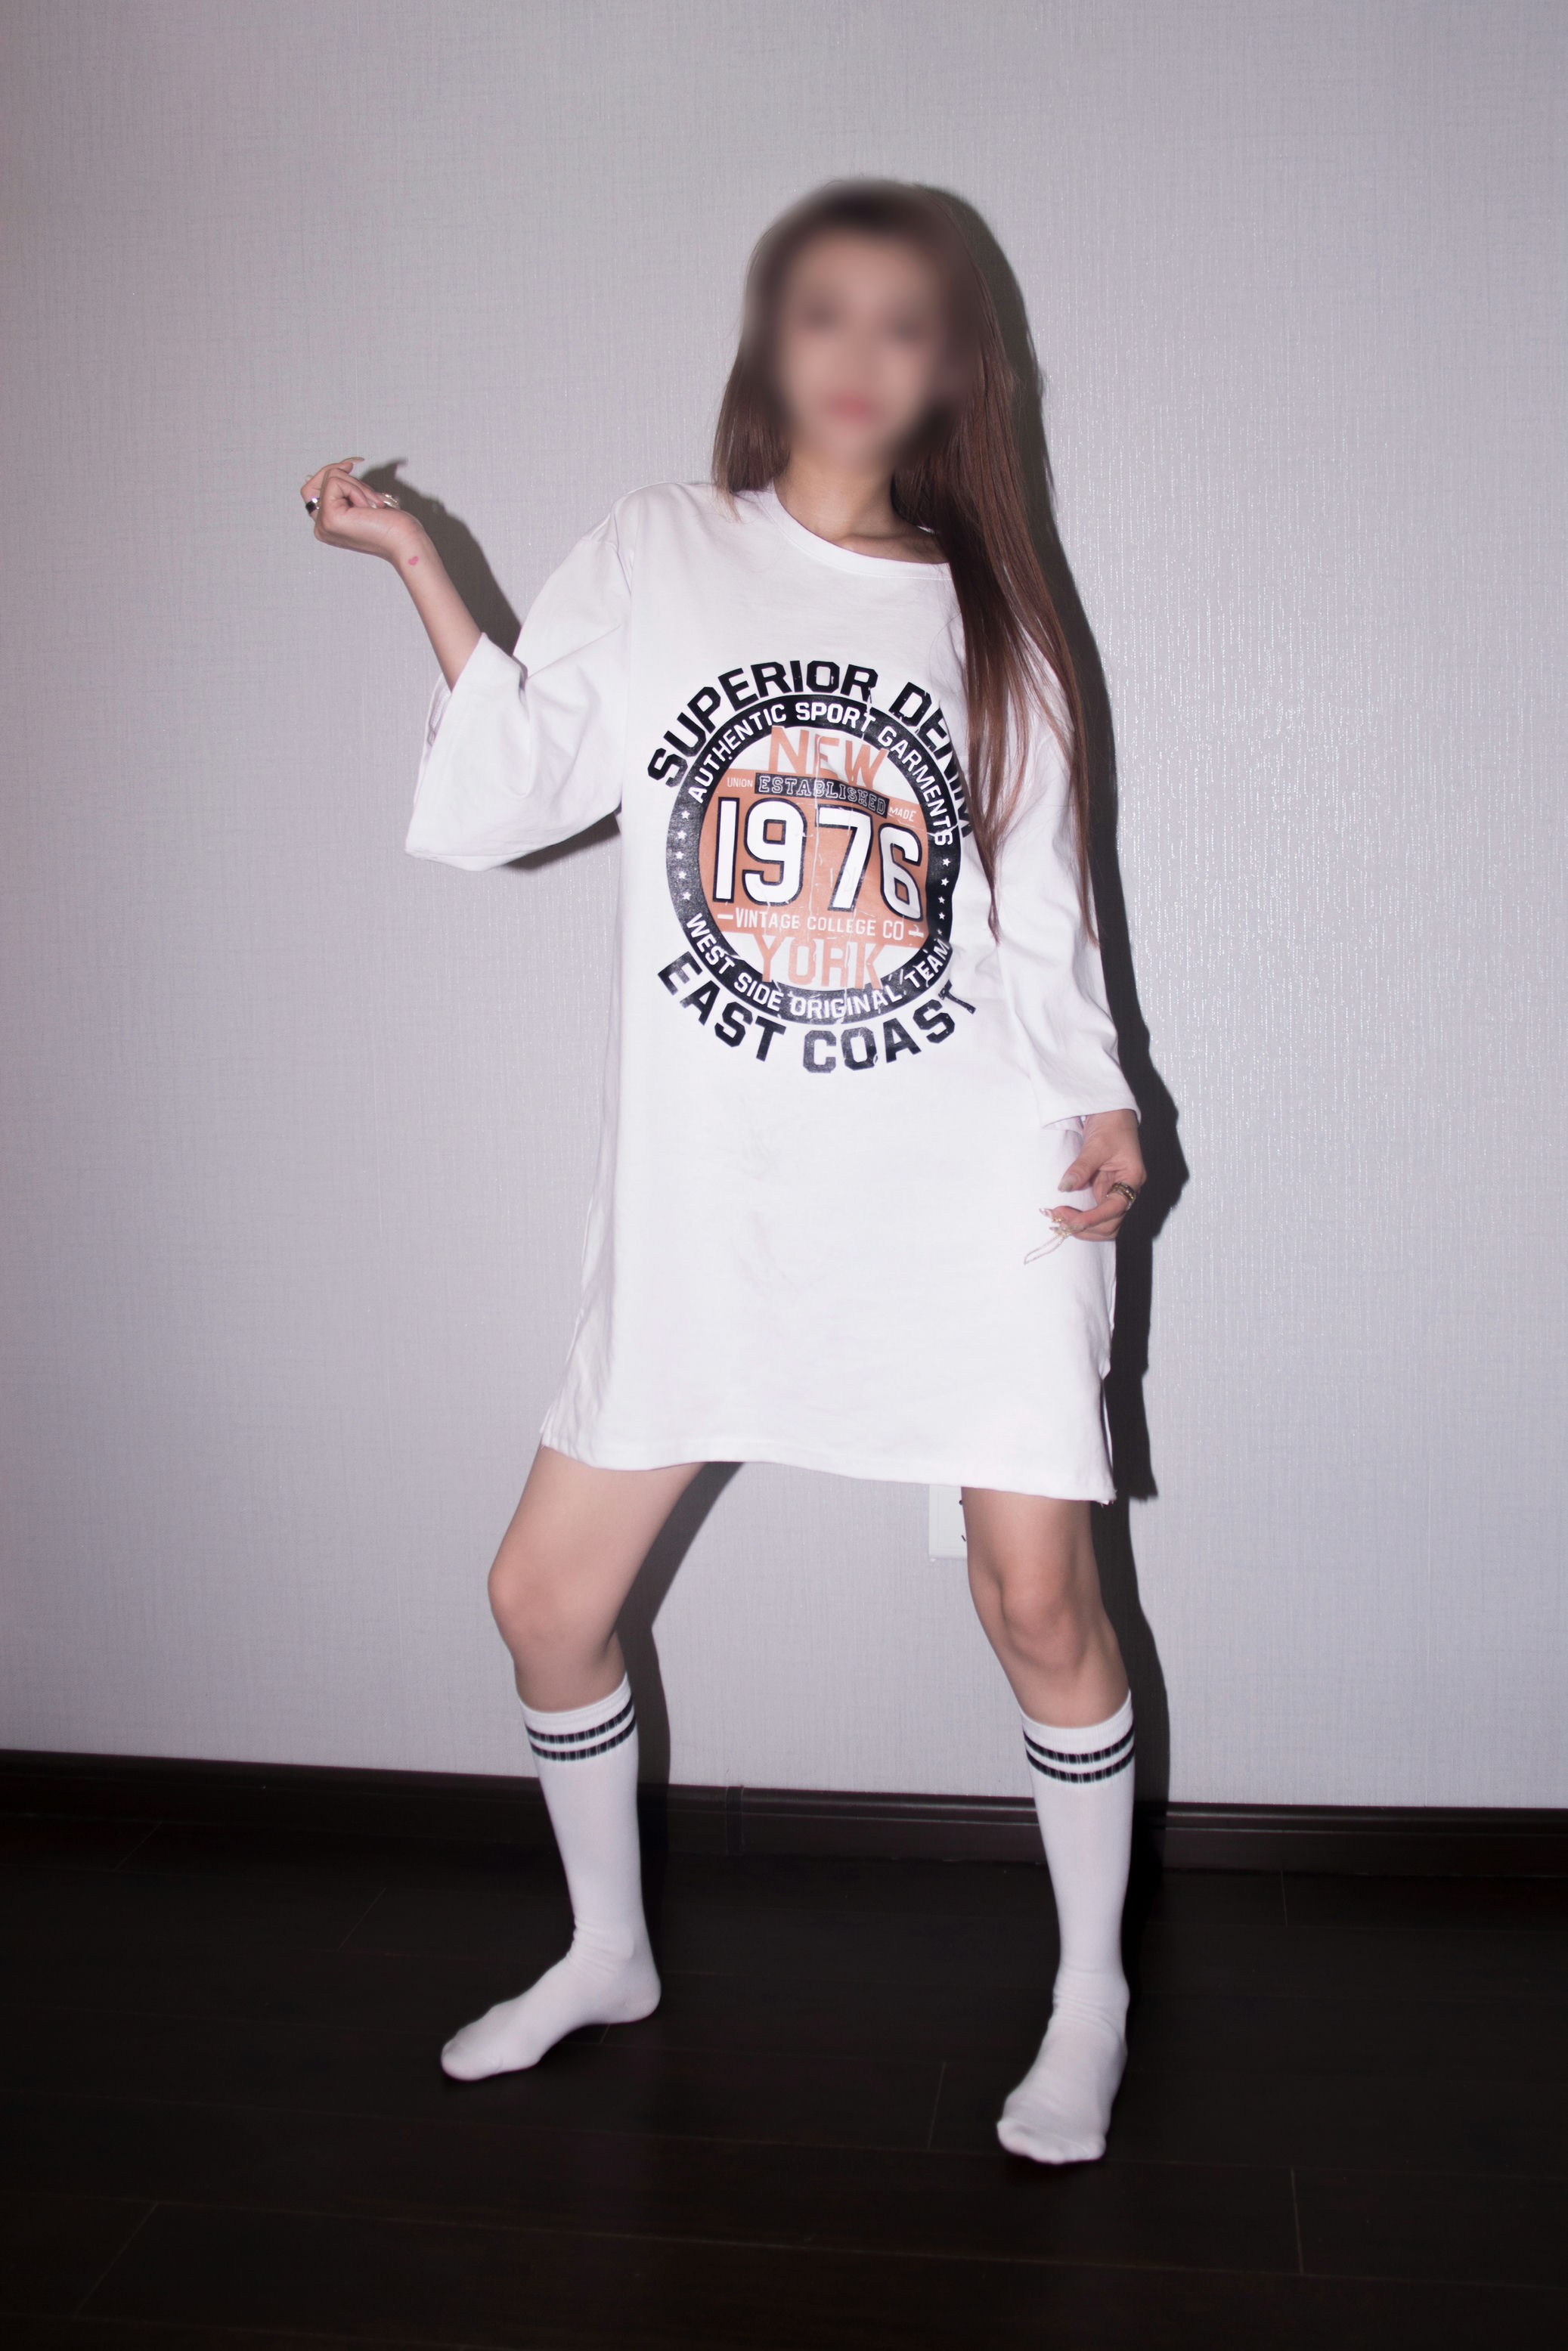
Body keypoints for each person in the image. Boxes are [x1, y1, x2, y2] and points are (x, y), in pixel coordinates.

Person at [300, 179, 1147, 2167]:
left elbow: (1041, 911)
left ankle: (1090, 1990)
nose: (858, 354)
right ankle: (606, 1951)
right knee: (541, 1597)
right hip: (726, 1185)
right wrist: (422, 563)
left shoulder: (998, 615)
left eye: (903, 322)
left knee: (1038, 1601)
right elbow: (517, 786)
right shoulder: (663, 550)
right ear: (773, 342)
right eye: (823, 311)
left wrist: (1102, 1099)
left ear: (954, 370)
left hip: (969, 1178)